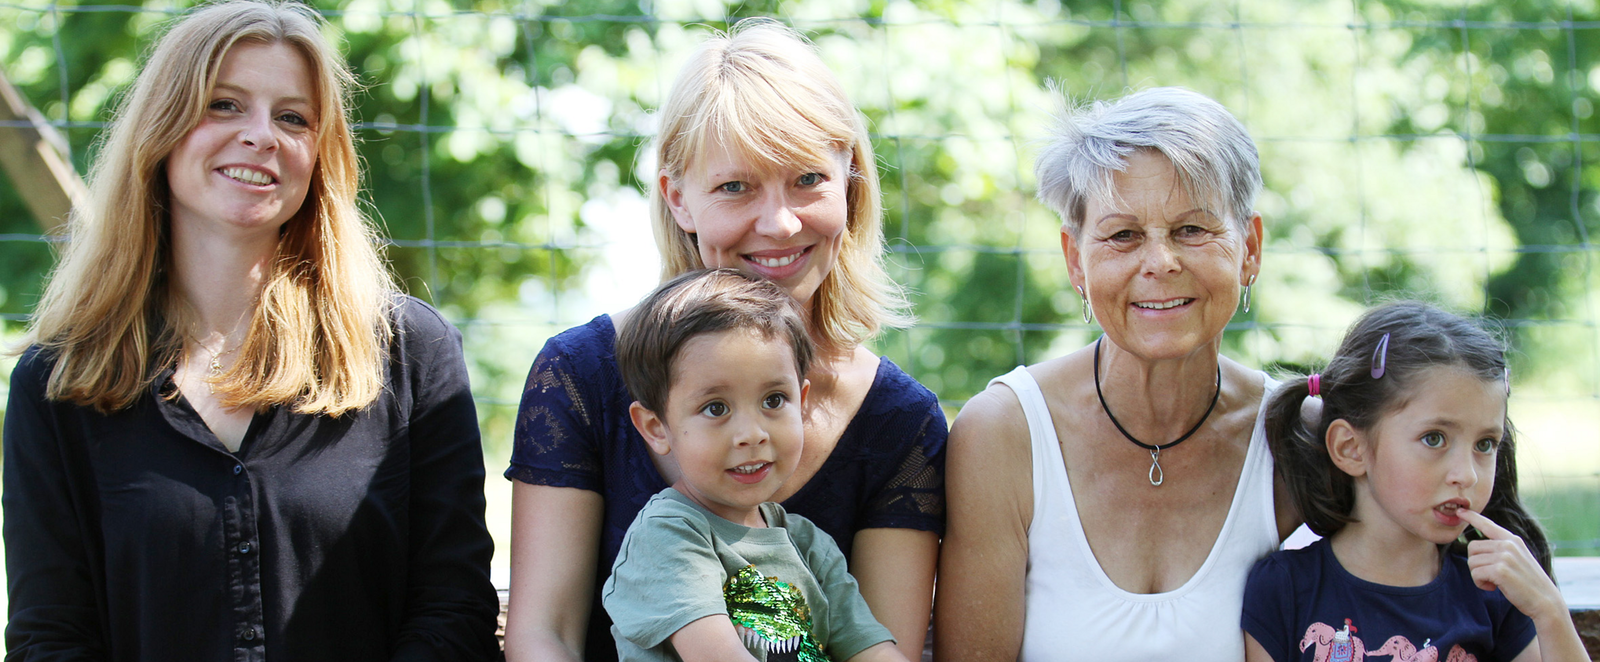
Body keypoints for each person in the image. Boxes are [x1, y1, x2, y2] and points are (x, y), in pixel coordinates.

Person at [2, 2, 500, 659]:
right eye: (224, 105)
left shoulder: (411, 354)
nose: (262, 135)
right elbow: (51, 637)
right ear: (162, 129)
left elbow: (453, 611)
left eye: (292, 117)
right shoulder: (58, 378)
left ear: (319, 156)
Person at [503, 19, 945, 662]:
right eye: (735, 187)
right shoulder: (581, 374)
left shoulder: (900, 424)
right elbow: (546, 634)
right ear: (677, 198)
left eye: (807, 179)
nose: (779, 221)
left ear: (850, 182)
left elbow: (877, 642)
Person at [934, 87, 1300, 662]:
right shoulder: (1005, 432)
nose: (1160, 262)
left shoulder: (1297, 435)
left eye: (1192, 230)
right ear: (1076, 259)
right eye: (1123, 236)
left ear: (1249, 248)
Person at [1243, 301, 1584, 662]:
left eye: (1485, 444)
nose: (1466, 474)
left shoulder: (1495, 593)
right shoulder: (1285, 590)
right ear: (1351, 449)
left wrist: (1549, 610)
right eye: (1434, 438)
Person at [600, 268, 908, 662]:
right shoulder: (669, 535)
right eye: (716, 408)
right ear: (656, 427)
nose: (752, 434)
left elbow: (872, 651)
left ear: (803, 400)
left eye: (774, 400)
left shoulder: (809, 546)